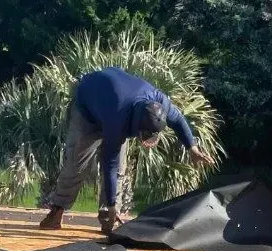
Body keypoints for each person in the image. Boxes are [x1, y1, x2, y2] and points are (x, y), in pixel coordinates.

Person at [39, 66, 214, 236]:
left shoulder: (160, 104)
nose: (147, 138)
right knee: (77, 164)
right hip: (88, 109)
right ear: (137, 124)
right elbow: (109, 165)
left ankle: (109, 217)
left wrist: (192, 148)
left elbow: (179, 120)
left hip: (112, 99)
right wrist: (113, 203)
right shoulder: (118, 119)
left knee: (120, 170)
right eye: (144, 134)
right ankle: (57, 210)